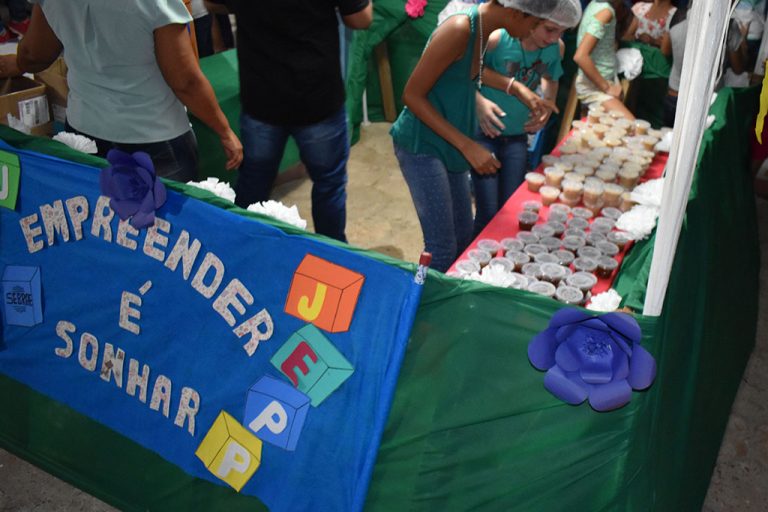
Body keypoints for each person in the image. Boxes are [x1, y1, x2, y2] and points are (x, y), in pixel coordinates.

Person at [390, 0, 581, 272]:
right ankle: (421, 298)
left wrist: (517, 89)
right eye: (534, 23)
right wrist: (468, 145)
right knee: (442, 248)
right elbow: (412, 95)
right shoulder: (460, 28)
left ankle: (450, 296)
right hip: (422, 143)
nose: (532, 31)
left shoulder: (482, 30)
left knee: (464, 238)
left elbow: (470, 75)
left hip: (453, 140)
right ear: (517, 12)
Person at [0, 1, 242, 182]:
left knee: (99, 224)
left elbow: (34, 54)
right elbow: (184, 80)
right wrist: (224, 130)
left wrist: (18, 63)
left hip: (84, 127)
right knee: (160, 230)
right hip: (154, 136)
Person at [204, 1, 372, 243]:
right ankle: (330, 255)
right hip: (316, 95)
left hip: (262, 94)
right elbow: (361, 18)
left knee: (254, 181)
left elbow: (211, 4)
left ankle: (242, 248)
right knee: (328, 185)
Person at [471, 13, 581, 236]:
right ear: (531, 19)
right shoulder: (497, 39)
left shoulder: (555, 48)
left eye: (562, 32)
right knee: (488, 211)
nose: (554, 37)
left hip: (517, 137)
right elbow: (467, 72)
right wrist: (478, 101)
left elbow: (550, 77)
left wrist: (548, 101)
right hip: (484, 133)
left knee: (511, 206)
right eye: (550, 29)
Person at [573, 0, 635, 119]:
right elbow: (580, 56)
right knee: (630, 125)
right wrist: (607, 87)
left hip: (598, 81)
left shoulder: (595, 5)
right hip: (596, 86)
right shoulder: (606, 12)